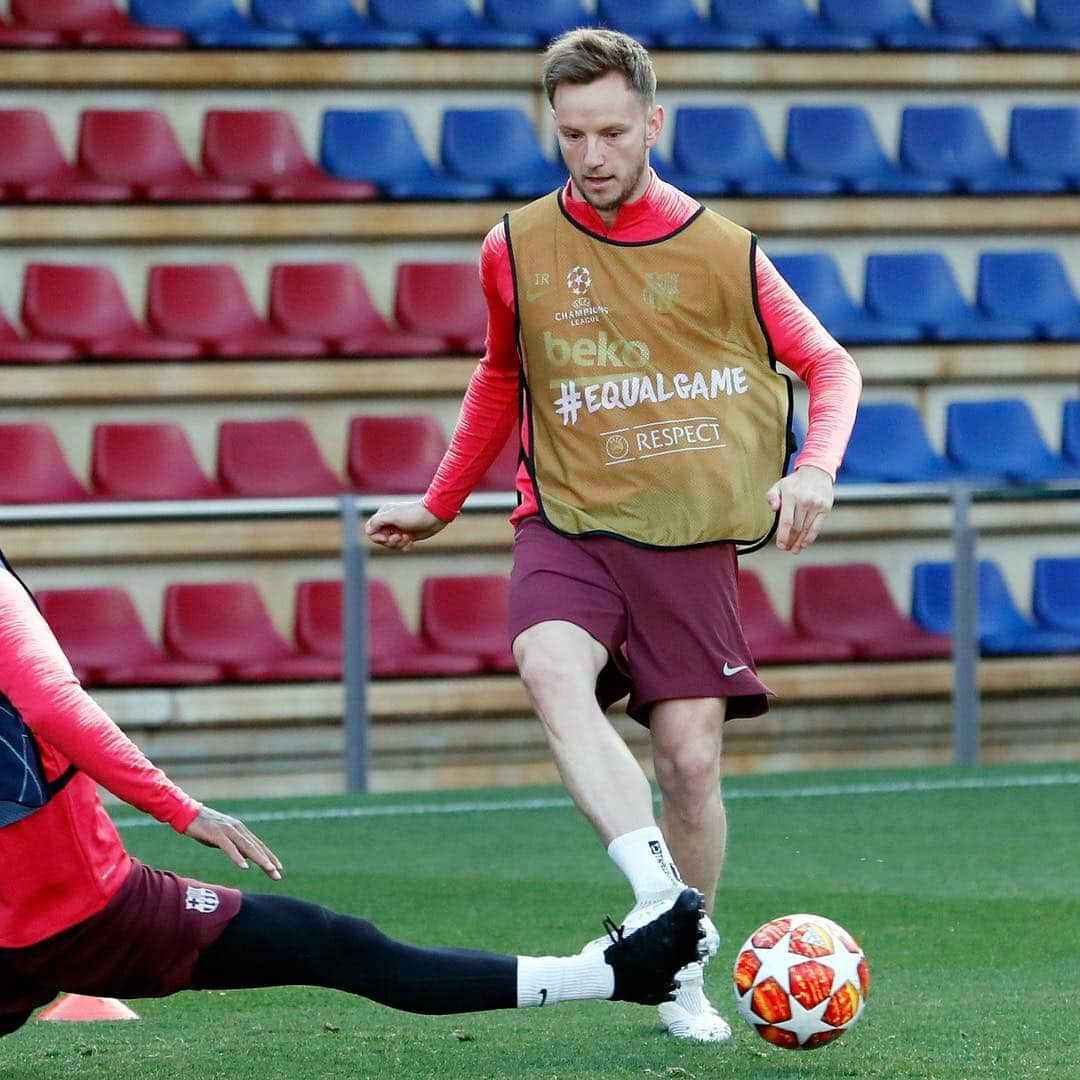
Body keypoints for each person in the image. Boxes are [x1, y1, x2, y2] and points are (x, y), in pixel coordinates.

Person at [365, 28, 862, 1043]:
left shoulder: (727, 252)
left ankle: (681, 971)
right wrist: (442, 499)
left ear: (653, 124)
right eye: (571, 135)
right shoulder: (514, 246)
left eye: (611, 133)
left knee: (687, 762)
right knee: (549, 664)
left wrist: (813, 469)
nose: (591, 157)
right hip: (568, 519)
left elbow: (832, 368)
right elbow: (502, 376)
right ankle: (656, 895)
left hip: (687, 538)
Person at [0, 549, 707, 1040]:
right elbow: (56, 706)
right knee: (336, 946)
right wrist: (185, 809)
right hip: (89, 910)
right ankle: (614, 975)